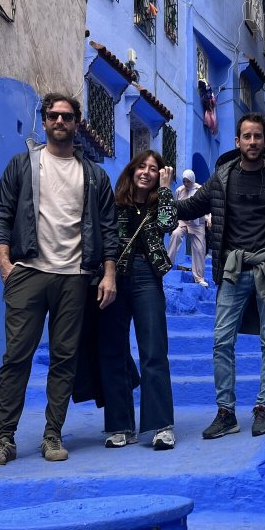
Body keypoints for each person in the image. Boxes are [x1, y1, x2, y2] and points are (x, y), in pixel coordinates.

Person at [0, 93, 119, 464]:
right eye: (53, 116)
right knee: (16, 357)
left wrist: (108, 273)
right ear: (44, 122)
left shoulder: (94, 175)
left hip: (75, 277)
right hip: (28, 272)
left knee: (64, 358)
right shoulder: (23, 165)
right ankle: (4, 439)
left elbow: (109, 229)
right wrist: (5, 264)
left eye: (67, 116)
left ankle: (52, 434)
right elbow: (0, 213)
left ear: (77, 123)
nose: (59, 121)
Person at [176, 112, 265, 438]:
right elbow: (188, 209)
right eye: (247, 136)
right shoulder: (221, 178)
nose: (253, 142)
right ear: (237, 141)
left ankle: (264, 409)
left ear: (264, 139)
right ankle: (226, 412)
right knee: (221, 341)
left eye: (258, 136)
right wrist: (162, 192)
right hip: (232, 269)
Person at [99, 150, 178, 450]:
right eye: (141, 167)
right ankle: (120, 426)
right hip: (113, 277)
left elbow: (169, 224)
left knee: (154, 350)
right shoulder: (115, 203)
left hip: (147, 276)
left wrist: (168, 190)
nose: (147, 172)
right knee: (113, 351)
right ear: (132, 171)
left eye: (154, 168)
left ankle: (161, 425)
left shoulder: (160, 204)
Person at [166, 169, 209, 286]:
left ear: (193, 180)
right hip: (183, 221)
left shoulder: (200, 190)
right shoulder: (180, 191)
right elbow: (175, 206)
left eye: (188, 181)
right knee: (176, 234)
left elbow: (207, 206)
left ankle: (199, 278)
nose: (186, 184)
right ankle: (167, 264)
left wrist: (208, 218)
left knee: (199, 249)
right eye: (184, 181)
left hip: (197, 223)